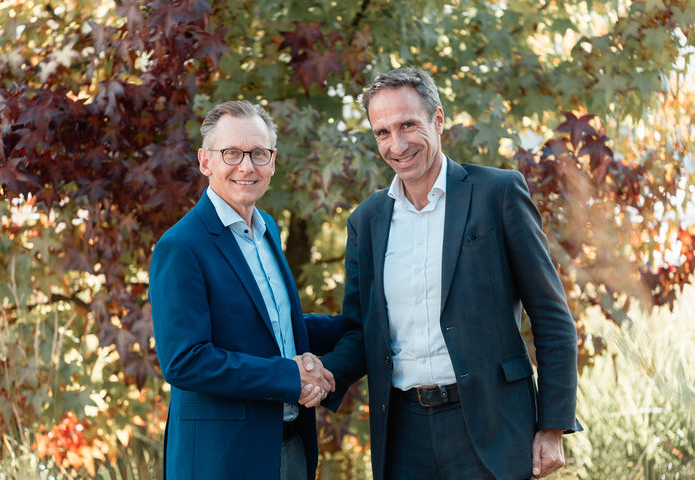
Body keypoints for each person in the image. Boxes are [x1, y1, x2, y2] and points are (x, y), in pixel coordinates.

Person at [319, 67, 582, 480]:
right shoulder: (366, 221)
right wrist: (319, 375)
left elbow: (551, 316)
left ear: (437, 120)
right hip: (403, 435)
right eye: (382, 132)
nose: (397, 145)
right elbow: (361, 331)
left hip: (491, 427)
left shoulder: (498, 193)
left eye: (408, 125)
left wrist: (552, 426)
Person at [149, 100, 343, 480]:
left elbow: (273, 326)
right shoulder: (181, 246)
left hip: (289, 446)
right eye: (232, 153)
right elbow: (185, 360)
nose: (246, 166)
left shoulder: (267, 228)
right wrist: (290, 376)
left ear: (273, 161)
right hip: (221, 460)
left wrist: (358, 322)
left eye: (258, 153)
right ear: (205, 161)